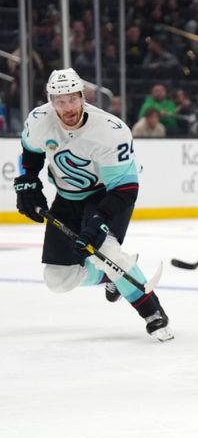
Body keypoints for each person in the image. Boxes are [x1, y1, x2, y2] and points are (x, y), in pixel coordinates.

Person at [12, 68, 172, 341]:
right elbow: (31, 151)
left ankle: (152, 311)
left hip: (105, 195)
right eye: (60, 101)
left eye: (72, 99)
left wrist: (99, 220)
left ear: (82, 97)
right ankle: (110, 278)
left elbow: (124, 188)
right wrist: (28, 179)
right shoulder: (39, 120)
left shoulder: (110, 131)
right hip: (66, 197)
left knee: (107, 249)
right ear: (51, 101)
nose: (68, 107)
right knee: (57, 279)